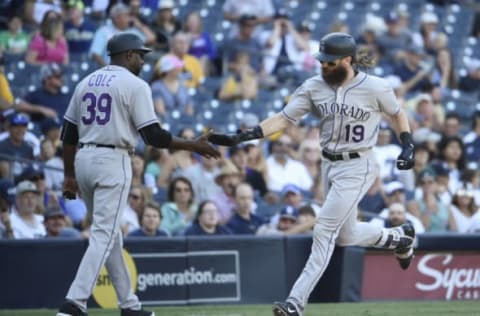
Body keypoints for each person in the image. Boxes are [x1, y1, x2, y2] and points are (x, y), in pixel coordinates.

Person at [208, 32, 416, 316]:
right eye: (322, 61)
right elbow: (283, 118)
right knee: (346, 235)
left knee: (324, 230)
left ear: (347, 60)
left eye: (331, 62)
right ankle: (399, 238)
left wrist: (407, 144)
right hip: (329, 164)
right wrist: (243, 136)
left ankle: (295, 302)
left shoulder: (375, 87)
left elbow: (396, 114)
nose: (324, 66)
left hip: (359, 164)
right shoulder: (314, 86)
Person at [57, 32, 219, 316]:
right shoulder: (135, 84)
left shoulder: (85, 82)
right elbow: (153, 136)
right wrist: (192, 144)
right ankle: (74, 303)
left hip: (83, 158)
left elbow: (68, 134)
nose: (144, 60)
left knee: (111, 235)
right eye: (140, 55)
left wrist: (69, 175)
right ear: (128, 55)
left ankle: (129, 306)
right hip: (113, 159)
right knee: (104, 234)